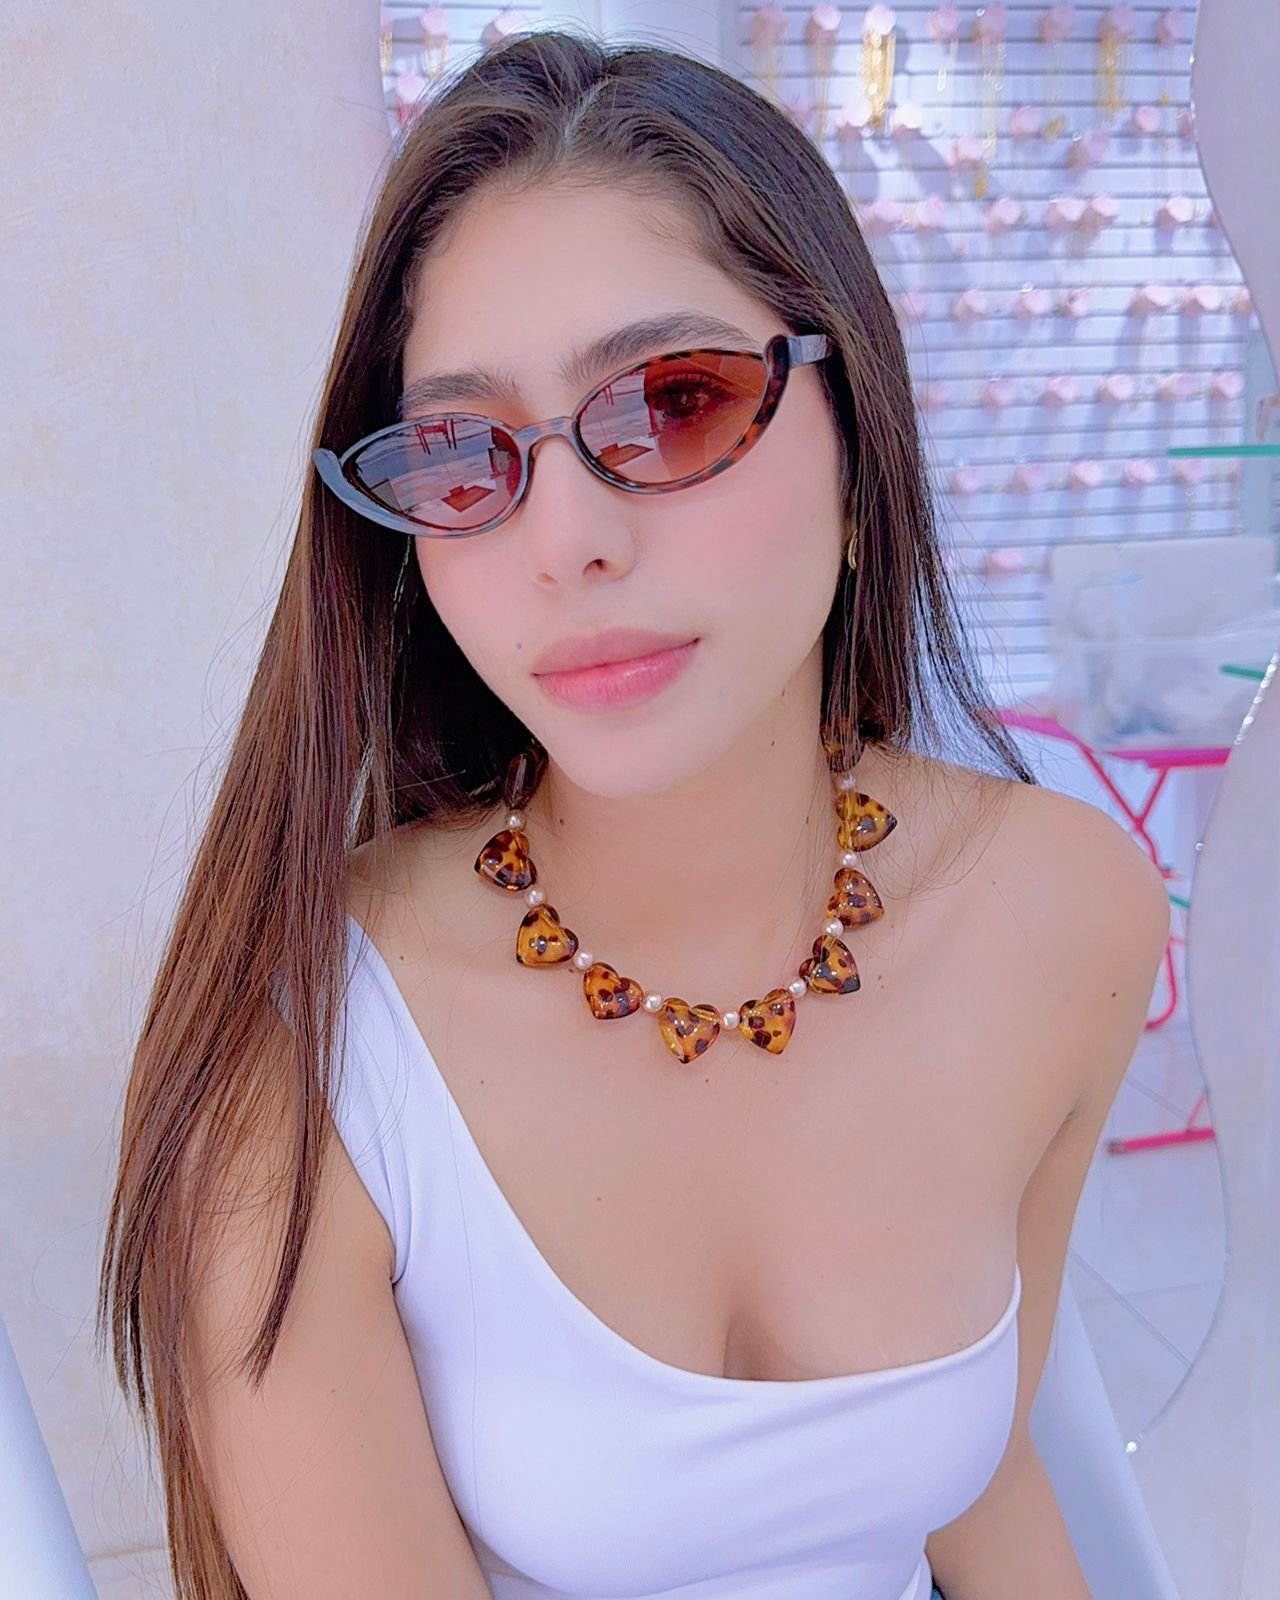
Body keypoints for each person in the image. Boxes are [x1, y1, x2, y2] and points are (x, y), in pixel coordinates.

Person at [97, 27, 1170, 1600]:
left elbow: (974, 1472)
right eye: (466, 457)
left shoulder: (1064, 910)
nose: (567, 544)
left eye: (675, 402)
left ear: (861, 447)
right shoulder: (302, 1049)